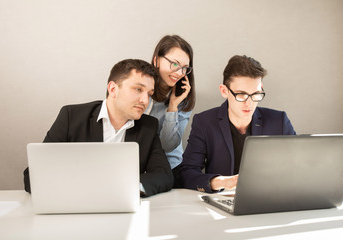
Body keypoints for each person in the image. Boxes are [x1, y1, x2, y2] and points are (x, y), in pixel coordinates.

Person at [23, 59, 174, 197]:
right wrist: (85, 187)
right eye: (138, 90)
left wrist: (125, 188)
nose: (145, 100)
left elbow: (164, 175)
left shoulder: (148, 126)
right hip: (75, 205)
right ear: (113, 89)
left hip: (122, 207)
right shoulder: (71, 117)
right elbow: (34, 174)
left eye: (149, 94)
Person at [179, 55, 296, 193]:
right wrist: (220, 182)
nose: (249, 103)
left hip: (272, 197)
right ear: (224, 91)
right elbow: (186, 173)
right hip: (222, 203)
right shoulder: (204, 122)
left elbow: (300, 165)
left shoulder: (279, 121)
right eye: (241, 94)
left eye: (256, 94)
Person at [146, 35, 195, 186]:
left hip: (170, 168)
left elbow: (168, 146)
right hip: (138, 166)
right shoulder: (140, 90)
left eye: (185, 68)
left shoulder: (184, 99)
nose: (180, 73)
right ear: (156, 60)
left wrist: (173, 106)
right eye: (175, 64)